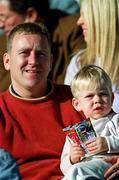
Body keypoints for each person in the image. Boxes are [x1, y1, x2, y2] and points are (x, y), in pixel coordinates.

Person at [0, 22, 84, 179]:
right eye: (24, 53)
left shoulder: (76, 99)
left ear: (51, 62)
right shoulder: (1, 109)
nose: (33, 61)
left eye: (41, 54)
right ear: (7, 61)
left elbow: (117, 131)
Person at [61, 65, 119, 180]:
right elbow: (65, 169)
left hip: (110, 165)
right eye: (89, 96)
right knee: (76, 171)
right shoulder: (75, 132)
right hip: (85, 171)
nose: (97, 100)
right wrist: (72, 158)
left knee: (79, 171)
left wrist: (108, 143)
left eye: (103, 94)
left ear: (112, 98)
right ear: (77, 104)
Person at [64, 0, 119, 116]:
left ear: (105, 18)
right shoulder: (79, 62)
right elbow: (71, 118)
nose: (79, 21)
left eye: (85, 14)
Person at [0, 0, 85, 92]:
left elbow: (82, 84)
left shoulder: (73, 29)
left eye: (5, 18)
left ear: (31, 15)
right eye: (24, 52)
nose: (1, 25)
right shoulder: (6, 40)